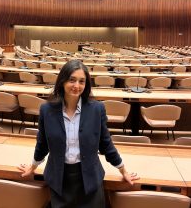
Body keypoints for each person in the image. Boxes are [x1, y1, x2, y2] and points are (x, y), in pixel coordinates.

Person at [18, 59, 138, 207]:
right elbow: (42, 143)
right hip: (59, 180)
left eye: (82, 81)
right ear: (62, 81)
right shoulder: (47, 110)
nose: (77, 86)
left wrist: (123, 170)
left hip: (90, 180)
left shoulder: (97, 109)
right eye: (72, 80)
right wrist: (33, 166)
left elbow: (106, 144)